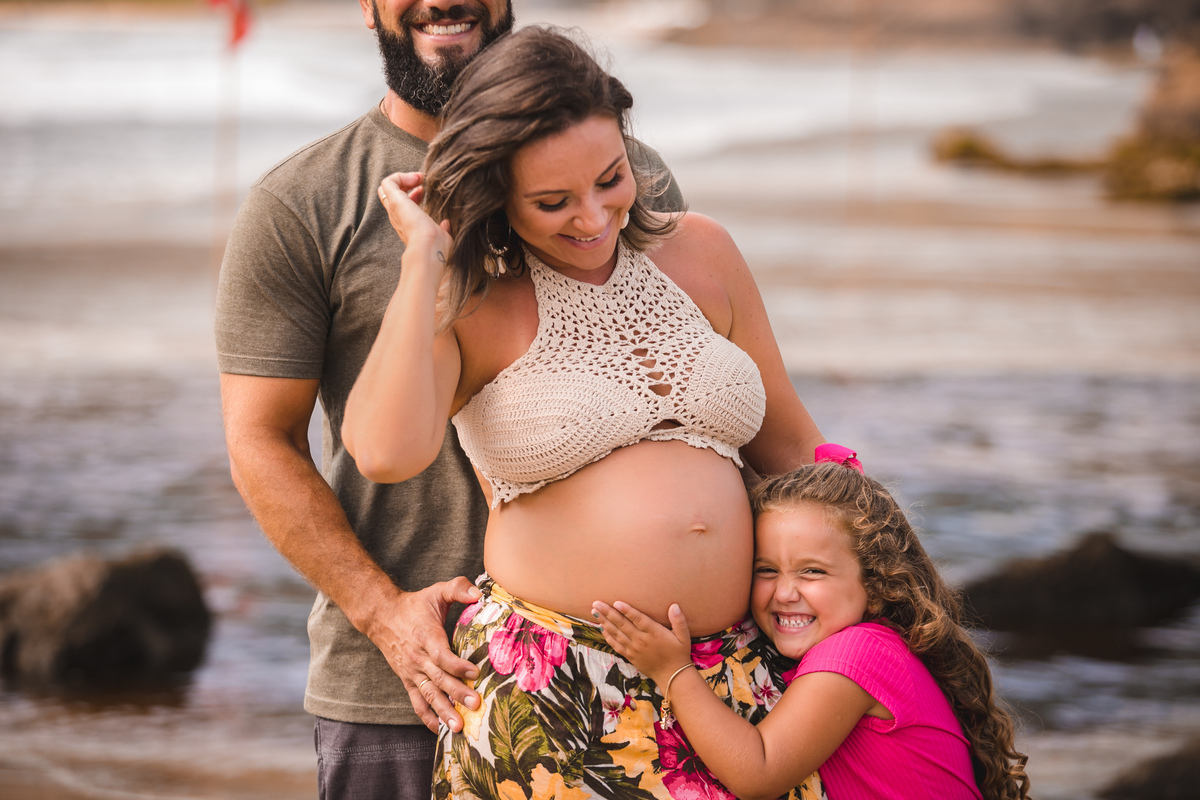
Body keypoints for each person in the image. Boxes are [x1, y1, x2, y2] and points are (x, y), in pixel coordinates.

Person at [342, 25, 830, 800]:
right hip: (552, 700)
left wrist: (897, 601)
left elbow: (795, 449)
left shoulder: (704, 253)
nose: (593, 217)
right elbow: (383, 452)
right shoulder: (471, 305)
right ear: (496, 193)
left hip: (739, 683)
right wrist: (422, 257)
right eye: (552, 201)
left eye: (610, 179)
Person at [214, 2, 683, 798]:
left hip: (622, 677)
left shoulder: (613, 176)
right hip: (412, 686)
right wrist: (384, 615)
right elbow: (260, 441)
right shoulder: (301, 203)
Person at [593, 462, 1033, 800]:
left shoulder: (856, 655)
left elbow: (758, 772)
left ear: (876, 585)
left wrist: (672, 670)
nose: (785, 592)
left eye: (813, 571)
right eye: (766, 570)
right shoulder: (881, 646)